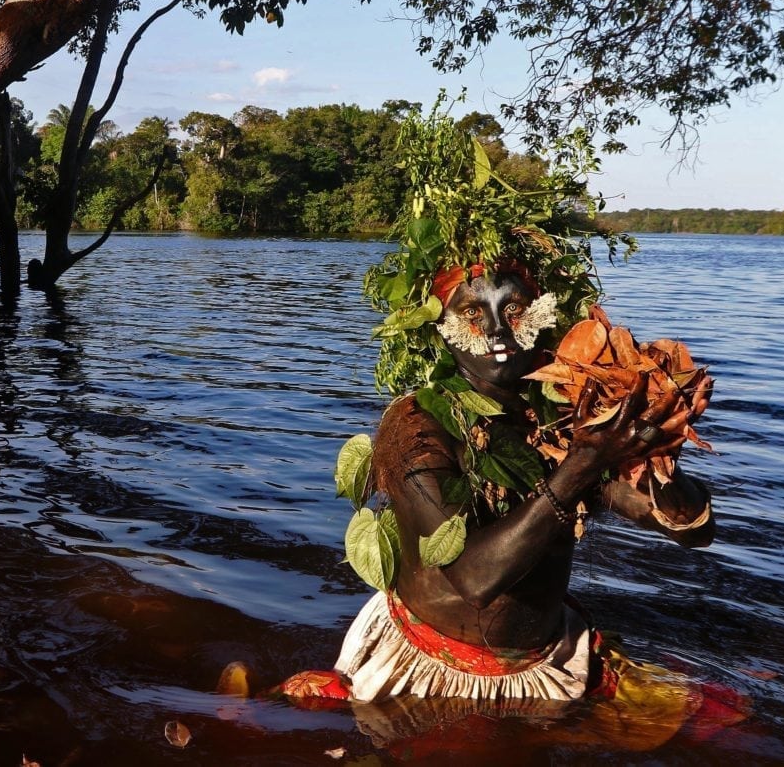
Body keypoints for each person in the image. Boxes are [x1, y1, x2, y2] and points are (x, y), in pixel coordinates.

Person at [275, 261, 715, 712]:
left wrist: (659, 451)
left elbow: (692, 533)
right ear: (440, 329)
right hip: (434, 671)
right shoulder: (416, 428)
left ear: (546, 315)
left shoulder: (564, 418)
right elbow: (473, 577)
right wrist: (584, 464)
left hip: (549, 654)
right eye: (471, 313)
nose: (497, 329)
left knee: (715, 716)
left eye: (516, 309)